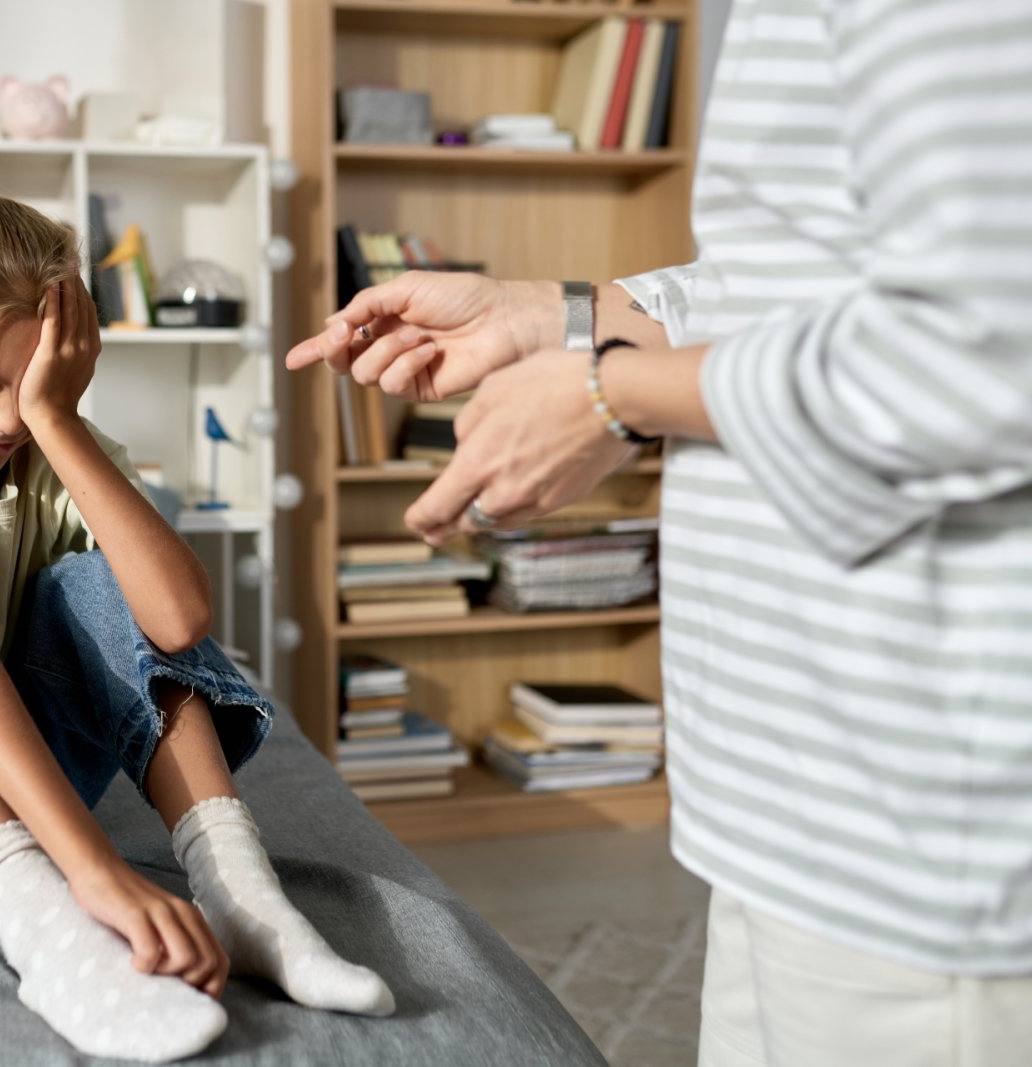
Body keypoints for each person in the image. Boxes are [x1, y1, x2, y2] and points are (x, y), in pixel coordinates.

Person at [287, 2, 1032, 1063]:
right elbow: (799, 280)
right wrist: (552, 313)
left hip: (918, 815)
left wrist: (612, 396)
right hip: (786, 790)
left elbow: (986, 343)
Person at [0, 175, 393, 1064]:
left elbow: (179, 617)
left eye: (31, 384)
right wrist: (94, 870)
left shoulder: (48, 438)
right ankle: (44, 932)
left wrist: (61, 419)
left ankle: (241, 895)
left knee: (98, 578)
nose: (7, 418)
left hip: (14, 783)